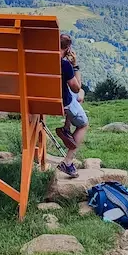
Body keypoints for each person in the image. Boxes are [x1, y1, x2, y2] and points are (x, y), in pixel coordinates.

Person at [57, 34, 87, 178]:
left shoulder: (38, 59)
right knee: (83, 125)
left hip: (40, 100)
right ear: (68, 48)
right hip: (62, 103)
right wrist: (75, 66)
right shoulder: (65, 65)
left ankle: (67, 128)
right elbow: (76, 87)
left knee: (79, 97)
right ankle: (68, 162)